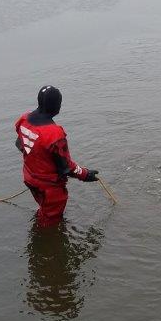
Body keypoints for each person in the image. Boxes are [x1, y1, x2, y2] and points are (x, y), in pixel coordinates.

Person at [15, 85, 98, 226]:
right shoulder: (54, 134)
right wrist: (85, 174)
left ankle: (40, 228)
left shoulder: (24, 120)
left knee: (44, 211)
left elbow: (21, 146)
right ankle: (45, 241)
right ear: (55, 106)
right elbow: (66, 167)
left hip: (30, 178)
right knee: (51, 222)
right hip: (49, 188)